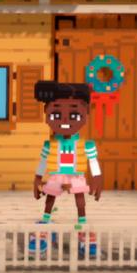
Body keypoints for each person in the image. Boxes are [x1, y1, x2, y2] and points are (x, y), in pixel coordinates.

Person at [33, 80, 103, 254]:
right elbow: (43, 162)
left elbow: (93, 161)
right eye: (56, 115)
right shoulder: (50, 144)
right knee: (50, 197)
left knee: (80, 199)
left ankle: (82, 223)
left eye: (74, 116)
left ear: (85, 114)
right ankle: (46, 221)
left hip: (76, 175)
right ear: (47, 112)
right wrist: (37, 179)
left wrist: (97, 178)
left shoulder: (85, 144)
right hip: (57, 175)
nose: (64, 121)